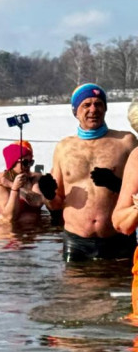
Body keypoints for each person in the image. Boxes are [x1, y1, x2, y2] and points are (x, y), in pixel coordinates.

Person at [42, 83, 138, 262]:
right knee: (75, 289)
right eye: (86, 105)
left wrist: (116, 184)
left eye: (98, 104)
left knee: (122, 288)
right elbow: (55, 203)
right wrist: (47, 194)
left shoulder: (126, 142)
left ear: (105, 109)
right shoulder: (64, 147)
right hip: (77, 240)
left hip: (118, 237)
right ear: (75, 111)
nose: (93, 109)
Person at [0, 142, 46, 222]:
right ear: (13, 163)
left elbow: (39, 202)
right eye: (25, 163)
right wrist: (14, 189)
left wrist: (13, 186)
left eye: (31, 162)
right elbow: (10, 217)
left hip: (31, 231)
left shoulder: (33, 178)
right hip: (7, 232)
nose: (29, 166)